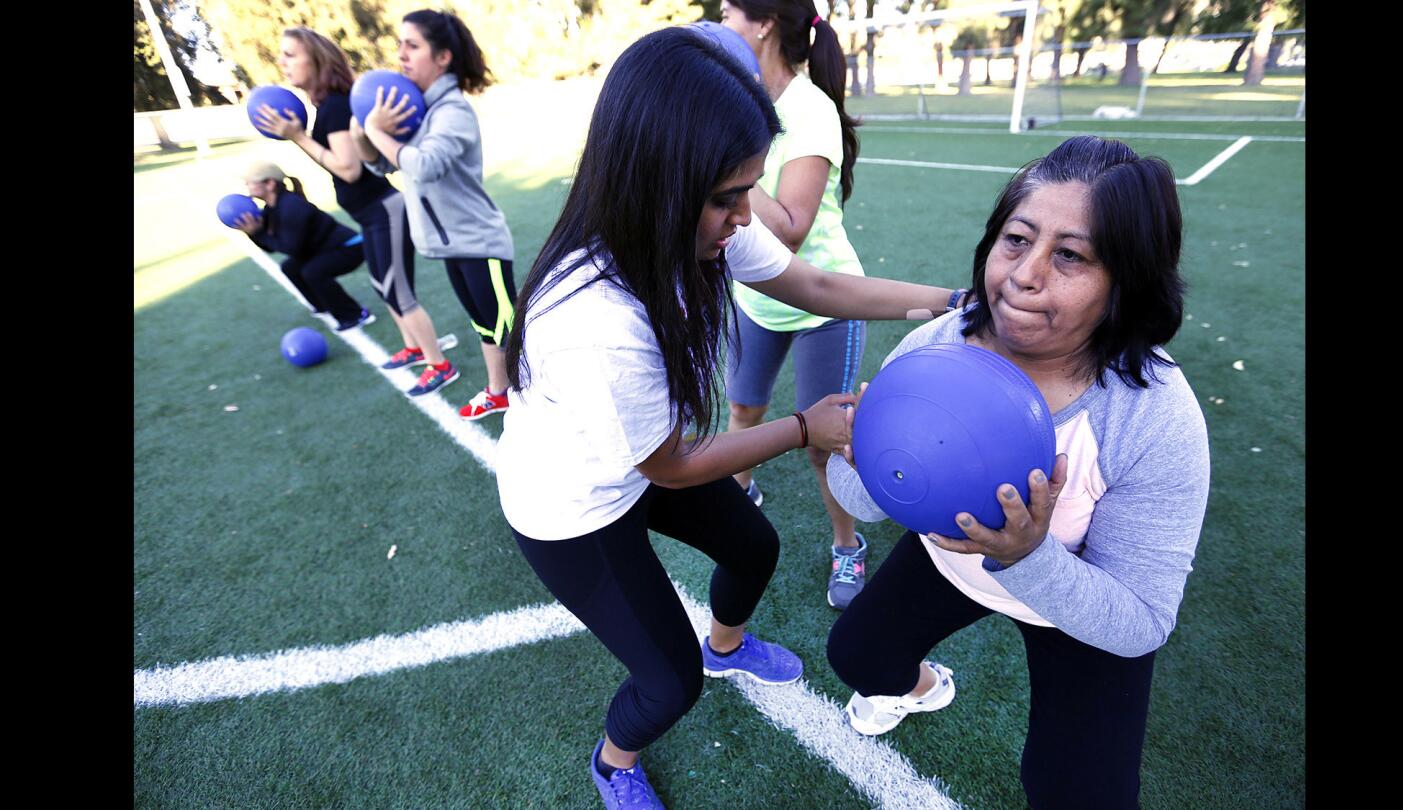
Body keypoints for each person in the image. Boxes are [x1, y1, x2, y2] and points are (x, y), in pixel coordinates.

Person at [495, 28, 958, 810]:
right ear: (656, 181)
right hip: (571, 508)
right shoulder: (596, 314)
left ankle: (729, 646)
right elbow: (668, 467)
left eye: (747, 190)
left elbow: (819, 287)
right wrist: (806, 428)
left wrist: (953, 304)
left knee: (755, 543)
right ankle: (614, 761)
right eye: (727, 197)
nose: (746, 217)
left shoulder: (703, 228)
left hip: (638, 457)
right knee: (668, 681)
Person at [824, 136, 1211, 810]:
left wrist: (1028, 555)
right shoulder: (936, 348)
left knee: (1077, 794)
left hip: (1076, 600)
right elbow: (863, 499)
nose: (1024, 275)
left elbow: (1142, 620)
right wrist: (857, 457)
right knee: (858, 658)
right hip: (952, 565)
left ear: (1128, 279)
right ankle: (923, 688)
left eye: (1070, 256)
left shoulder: (1153, 415)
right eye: (1016, 240)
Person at [720, 0, 871, 610]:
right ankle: (739, 500)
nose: (719, 17)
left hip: (821, 302)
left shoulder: (809, 109)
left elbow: (789, 228)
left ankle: (848, 545)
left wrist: (719, 157)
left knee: (823, 443)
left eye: (728, 9)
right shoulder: (740, 97)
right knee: (743, 408)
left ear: (762, 24)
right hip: (755, 298)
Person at [253, 27, 455, 386]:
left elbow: (348, 169)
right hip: (370, 214)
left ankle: (439, 365)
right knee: (383, 285)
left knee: (397, 290)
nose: (282, 62)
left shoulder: (334, 106)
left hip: (385, 210)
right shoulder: (325, 107)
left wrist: (297, 136)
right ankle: (413, 348)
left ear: (315, 60)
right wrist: (301, 134)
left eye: (290, 55)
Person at [351, 9, 518, 412]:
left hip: (481, 245)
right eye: (400, 45)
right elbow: (388, 165)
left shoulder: (452, 111)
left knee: (510, 332)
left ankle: (542, 403)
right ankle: (500, 393)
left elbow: (424, 164)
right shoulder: (421, 113)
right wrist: (363, 135)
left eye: (413, 46)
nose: (401, 55)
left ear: (442, 57)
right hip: (453, 246)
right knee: (485, 326)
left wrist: (375, 131)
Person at [226, 161, 366, 323]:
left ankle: (356, 315)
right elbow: (271, 247)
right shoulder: (272, 209)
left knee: (313, 272)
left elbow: (291, 248)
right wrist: (253, 233)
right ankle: (322, 306)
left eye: (250, 182)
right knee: (290, 267)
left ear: (270, 184)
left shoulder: (291, 206)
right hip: (324, 249)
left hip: (350, 247)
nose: (247, 186)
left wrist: (258, 233)